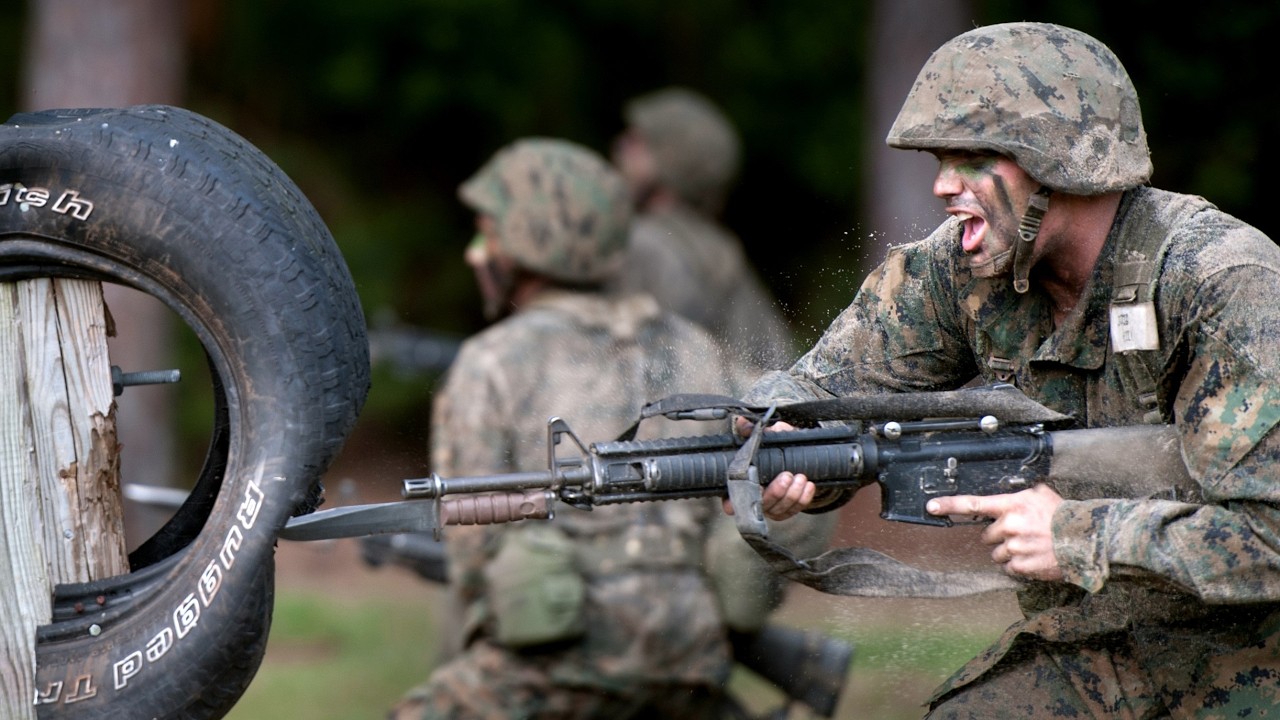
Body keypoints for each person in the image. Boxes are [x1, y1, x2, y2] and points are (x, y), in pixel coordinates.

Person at [745, 21, 1280, 717]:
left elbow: (1270, 538)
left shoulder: (1223, 281)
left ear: (1059, 158)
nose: (941, 185)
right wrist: (776, 435)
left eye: (971, 157)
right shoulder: (959, 269)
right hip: (1100, 644)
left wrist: (1075, 536)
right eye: (940, 159)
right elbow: (825, 393)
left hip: (1257, 650)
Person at [389, 138, 787, 719]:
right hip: (691, 655)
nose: (476, 253)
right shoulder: (693, 347)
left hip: (550, 661)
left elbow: (472, 551)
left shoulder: (491, 362)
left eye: (488, 233)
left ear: (526, 243)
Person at [609, 86, 795, 374]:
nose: (621, 147)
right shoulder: (722, 248)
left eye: (638, 141)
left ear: (670, 160)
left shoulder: (639, 244)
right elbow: (778, 363)